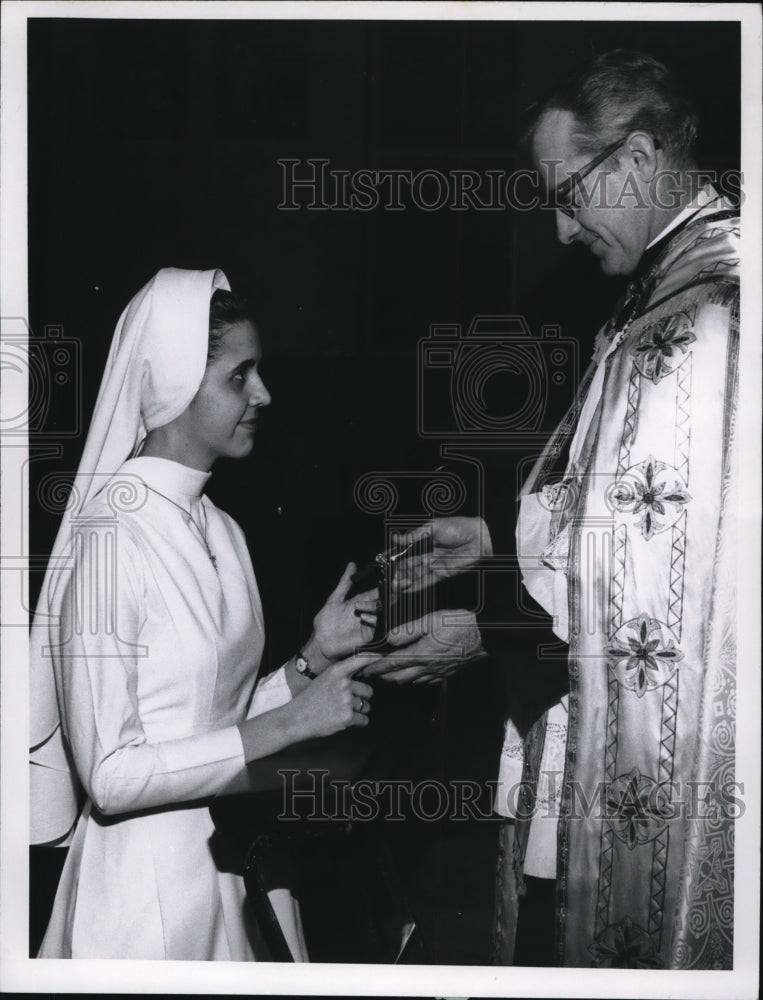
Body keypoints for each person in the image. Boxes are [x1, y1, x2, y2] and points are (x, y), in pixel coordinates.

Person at [364, 50, 739, 969]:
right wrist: (495, 541)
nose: (561, 228)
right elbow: (627, 521)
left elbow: (651, 600)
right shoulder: (656, 296)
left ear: (641, 159)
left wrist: (486, 622)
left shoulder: (703, 321)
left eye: (569, 192)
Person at [29, 267, 377, 960]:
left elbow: (217, 720)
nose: (263, 395)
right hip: (143, 897)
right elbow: (111, 775)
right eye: (238, 377)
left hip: (240, 870)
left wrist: (309, 660)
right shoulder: (110, 537)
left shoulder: (221, 527)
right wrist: (290, 722)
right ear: (176, 384)